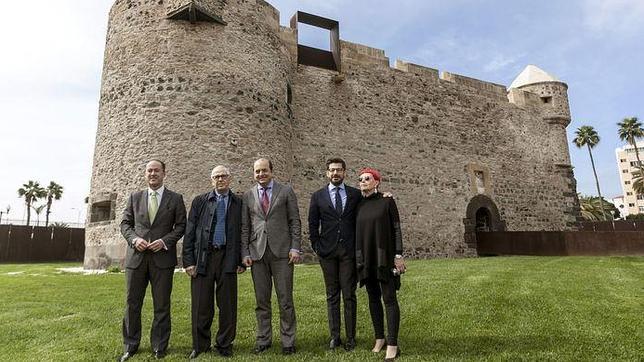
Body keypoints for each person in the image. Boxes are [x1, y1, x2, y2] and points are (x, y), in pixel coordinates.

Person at [119, 160, 187, 361]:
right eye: (149, 170)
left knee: (162, 305)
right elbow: (125, 224)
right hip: (136, 260)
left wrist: (165, 242)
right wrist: (134, 239)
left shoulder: (175, 199)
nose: (152, 173)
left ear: (164, 173)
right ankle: (130, 346)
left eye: (156, 170)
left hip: (162, 260)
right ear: (145, 174)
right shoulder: (135, 197)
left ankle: (159, 346)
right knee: (132, 303)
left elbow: (181, 226)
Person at [182, 166, 245, 359]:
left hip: (228, 257)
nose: (220, 179)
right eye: (216, 176)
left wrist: (241, 260)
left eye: (224, 176)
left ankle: (224, 344)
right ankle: (200, 345)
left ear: (230, 178)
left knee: (227, 305)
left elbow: (243, 232)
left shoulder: (238, 203)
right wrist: (188, 261)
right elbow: (190, 232)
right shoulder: (200, 201)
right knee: (201, 304)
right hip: (204, 257)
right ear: (211, 180)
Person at [241, 158, 302, 355]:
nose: (261, 174)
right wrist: (245, 252)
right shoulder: (248, 195)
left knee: (285, 299)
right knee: (262, 301)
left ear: (271, 171)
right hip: (257, 253)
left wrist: (295, 248)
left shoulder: (285, 191)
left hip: (282, 252)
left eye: (264, 170)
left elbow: (294, 221)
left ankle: (288, 341)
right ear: (254, 173)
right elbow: (245, 227)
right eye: (257, 171)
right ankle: (263, 339)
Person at [307, 158, 360, 351]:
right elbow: (313, 224)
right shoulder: (318, 196)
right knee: (332, 295)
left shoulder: (355, 195)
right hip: (327, 252)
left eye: (339, 170)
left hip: (348, 252)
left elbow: (365, 211)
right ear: (327, 173)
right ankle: (335, 336)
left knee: (349, 294)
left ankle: (351, 337)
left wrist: (384, 195)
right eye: (332, 170)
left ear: (345, 172)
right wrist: (317, 246)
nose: (335, 173)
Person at [355, 168, 406, 361]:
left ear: (377, 181)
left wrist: (398, 255)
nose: (363, 181)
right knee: (373, 298)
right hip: (366, 258)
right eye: (360, 179)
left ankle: (392, 344)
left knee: (389, 299)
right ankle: (379, 338)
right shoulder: (358, 205)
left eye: (367, 178)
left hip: (384, 257)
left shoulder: (387, 201)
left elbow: (396, 229)